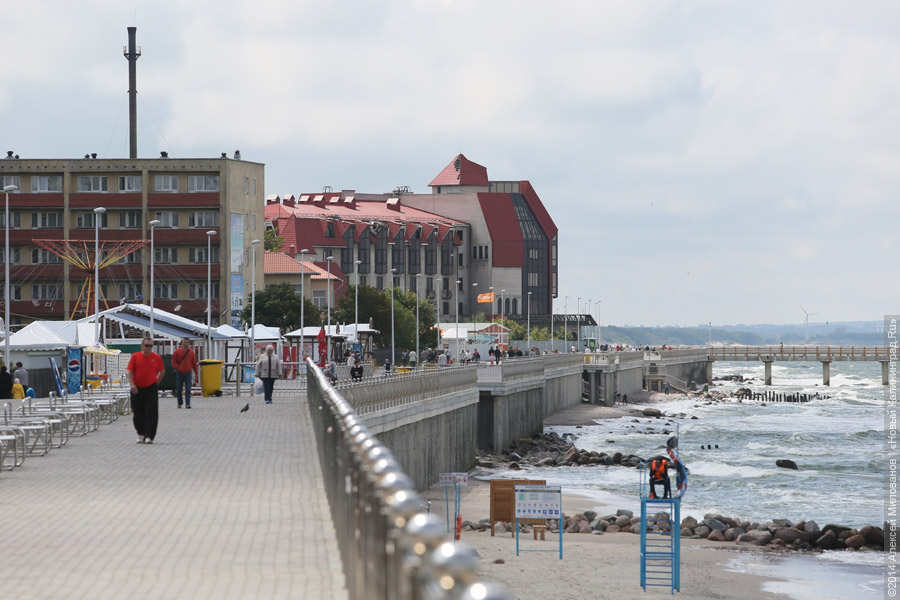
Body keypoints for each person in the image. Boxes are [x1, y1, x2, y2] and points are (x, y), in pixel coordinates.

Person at [127, 337, 165, 444]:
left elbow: (162, 371)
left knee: (151, 412)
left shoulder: (156, 357)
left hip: (151, 387)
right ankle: (141, 433)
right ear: (142, 346)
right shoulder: (135, 356)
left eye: (151, 346)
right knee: (137, 412)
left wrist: (156, 382)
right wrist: (132, 385)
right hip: (137, 388)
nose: (149, 348)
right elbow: (129, 372)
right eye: (147, 345)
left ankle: (149, 435)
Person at [171, 337, 199, 409]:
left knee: (188, 389)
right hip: (179, 373)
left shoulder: (191, 352)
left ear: (189, 343)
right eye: (184, 342)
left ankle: (188, 404)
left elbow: (194, 364)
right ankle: (179, 403)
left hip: (188, 373)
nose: (185, 343)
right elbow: (173, 362)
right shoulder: (177, 352)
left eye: (186, 342)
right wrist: (178, 367)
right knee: (179, 388)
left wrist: (196, 373)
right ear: (182, 343)